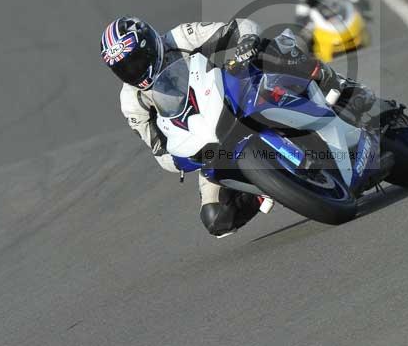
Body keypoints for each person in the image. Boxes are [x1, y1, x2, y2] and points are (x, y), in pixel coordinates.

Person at [100, 16, 375, 237]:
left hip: (237, 90)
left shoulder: (180, 37)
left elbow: (240, 27)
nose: (134, 71)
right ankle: (270, 184)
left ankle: (337, 84)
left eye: (135, 61)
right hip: (208, 139)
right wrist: (183, 159)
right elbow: (159, 151)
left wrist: (246, 42)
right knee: (216, 219)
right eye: (123, 69)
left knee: (269, 48)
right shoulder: (131, 101)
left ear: (150, 45)